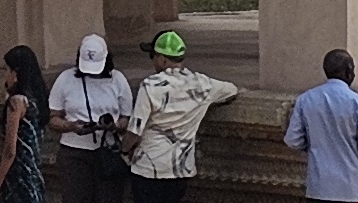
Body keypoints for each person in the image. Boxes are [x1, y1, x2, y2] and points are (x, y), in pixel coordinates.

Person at [125, 29, 239, 203]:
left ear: (162, 59)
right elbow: (232, 90)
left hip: (148, 168)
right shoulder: (202, 84)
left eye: (153, 56)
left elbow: (135, 131)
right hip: (180, 169)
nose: (153, 61)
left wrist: (124, 150)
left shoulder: (150, 86)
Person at [284, 48, 358, 203]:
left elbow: (293, 140)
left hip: (319, 187)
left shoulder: (306, 99)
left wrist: (312, 145)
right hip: (353, 189)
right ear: (349, 71)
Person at [47, 34, 132, 203]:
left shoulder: (118, 80)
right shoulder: (66, 79)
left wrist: (114, 126)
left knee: (109, 198)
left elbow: (127, 118)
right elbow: (53, 118)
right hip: (74, 152)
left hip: (108, 151)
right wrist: (71, 126)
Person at [0, 43, 50, 203]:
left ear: (15, 73)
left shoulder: (17, 103)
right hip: (34, 173)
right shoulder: (38, 100)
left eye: (7, 70)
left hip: (18, 176)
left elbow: (10, 150)